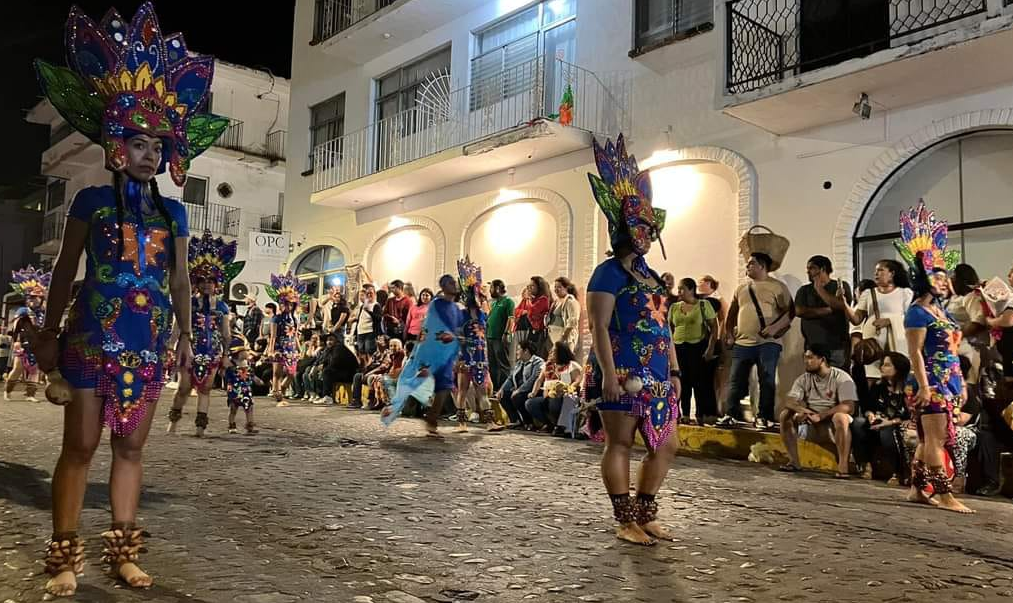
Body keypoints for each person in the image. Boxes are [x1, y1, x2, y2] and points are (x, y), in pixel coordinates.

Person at [29, 4, 212, 593]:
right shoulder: (90, 202)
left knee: (131, 449)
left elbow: (179, 282)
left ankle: (123, 552)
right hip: (90, 338)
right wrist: (48, 332)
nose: (149, 154)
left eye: (157, 145)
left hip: (147, 343)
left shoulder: (174, 212)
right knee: (79, 448)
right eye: (139, 143)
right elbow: (65, 270)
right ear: (116, 146)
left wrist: (187, 337)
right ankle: (63, 559)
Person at [583, 135, 681, 545]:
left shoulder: (651, 276)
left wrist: (675, 370)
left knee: (667, 444)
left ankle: (645, 511)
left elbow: (664, 326)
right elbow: (599, 325)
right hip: (622, 370)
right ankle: (625, 521)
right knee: (621, 442)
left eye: (651, 228)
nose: (648, 234)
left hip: (657, 373)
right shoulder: (607, 273)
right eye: (642, 226)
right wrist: (608, 374)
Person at [894, 201, 973, 514]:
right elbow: (915, 352)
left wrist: (961, 382)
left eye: (944, 276)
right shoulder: (917, 312)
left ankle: (917, 489)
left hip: (947, 380)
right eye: (937, 277)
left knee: (929, 439)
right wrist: (925, 387)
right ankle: (944, 494)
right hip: (929, 381)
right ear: (924, 279)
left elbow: (952, 350)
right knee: (935, 440)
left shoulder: (940, 311)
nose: (944, 281)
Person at [167, 230, 240, 436]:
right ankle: (173, 422)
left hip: (212, 352)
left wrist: (226, 354)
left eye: (211, 280)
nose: (207, 284)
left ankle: (200, 427)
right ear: (196, 282)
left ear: (217, 284)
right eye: (203, 280)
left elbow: (226, 334)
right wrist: (171, 346)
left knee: (206, 389)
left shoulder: (222, 307)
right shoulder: (189, 303)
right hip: (190, 350)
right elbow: (178, 326)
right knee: (184, 387)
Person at [718, 252, 794, 430]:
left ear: (762, 266)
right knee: (736, 380)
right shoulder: (741, 288)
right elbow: (732, 314)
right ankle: (731, 414)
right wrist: (729, 333)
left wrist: (774, 328)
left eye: (751, 263)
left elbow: (790, 312)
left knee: (766, 381)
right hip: (742, 343)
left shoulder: (777, 287)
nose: (747, 266)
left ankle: (764, 417)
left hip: (767, 343)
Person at [382, 274, 465, 437]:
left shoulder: (456, 308)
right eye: (450, 283)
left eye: (454, 283)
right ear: (443, 287)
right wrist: (447, 335)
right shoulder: (437, 304)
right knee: (415, 380)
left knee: (445, 385)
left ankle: (432, 419)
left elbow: (458, 328)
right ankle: (397, 406)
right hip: (431, 351)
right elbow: (432, 326)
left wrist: (457, 341)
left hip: (446, 354)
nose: (454, 285)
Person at [777, 345, 858, 477]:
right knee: (785, 414)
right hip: (811, 421)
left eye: (810, 358)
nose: (806, 361)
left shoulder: (842, 377)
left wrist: (822, 415)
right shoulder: (804, 379)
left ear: (822, 360)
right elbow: (790, 401)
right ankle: (794, 462)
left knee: (841, 417)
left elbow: (849, 406)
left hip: (833, 422)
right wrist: (803, 411)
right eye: (805, 358)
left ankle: (843, 467)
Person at [845, 259, 913, 383]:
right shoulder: (868, 293)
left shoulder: (904, 293)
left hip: (896, 342)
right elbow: (856, 319)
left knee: (895, 375)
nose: (876, 273)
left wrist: (890, 320)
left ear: (892, 273)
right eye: (876, 271)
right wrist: (843, 303)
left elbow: (911, 318)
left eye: (881, 270)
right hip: (873, 344)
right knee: (872, 377)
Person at [454, 258, 501, 432]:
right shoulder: (461, 315)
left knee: (481, 390)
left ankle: (489, 422)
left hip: (480, 357)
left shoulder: (482, 315)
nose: (482, 299)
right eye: (479, 297)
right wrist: (460, 356)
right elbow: (458, 336)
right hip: (466, 356)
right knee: (463, 389)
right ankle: (461, 423)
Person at [850, 352, 911, 483]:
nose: (882, 367)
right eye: (882, 364)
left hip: (895, 425)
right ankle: (865, 465)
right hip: (878, 422)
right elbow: (868, 407)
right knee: (858, 423)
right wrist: (870, 415)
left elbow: (909, 415)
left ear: (898, 369)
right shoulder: (878, 386)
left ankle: (897, 472)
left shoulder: (907, 389)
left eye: (887, 365)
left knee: (886, 432)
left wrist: (889, 422)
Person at [669, 277, 719, 424]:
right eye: (678, 289)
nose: (679, 292)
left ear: (691, 290)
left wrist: (710, 348)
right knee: (682, 381)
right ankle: (684, 413)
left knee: (698, 382)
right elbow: (669, 328)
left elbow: (714, 327)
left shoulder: (703, 305)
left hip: (697, 347)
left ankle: (700, 413)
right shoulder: (674, 307)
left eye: (682, 289)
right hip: (678, 347)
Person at [794, 255, 853, 369]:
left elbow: (841, 305)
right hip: (813, 347)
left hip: (837, 346)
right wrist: (829, 310)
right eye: (808, 269)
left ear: (823, 269)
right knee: (814, 379)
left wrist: (819, 289)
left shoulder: (840, 286)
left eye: (812, 268)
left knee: (838, 377)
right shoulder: (804, 290)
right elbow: (800, 311)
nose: (808, 272)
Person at [5, 267, 51, 401]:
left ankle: (30, 395)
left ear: (41, 299)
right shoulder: (23, 311)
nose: (32, 300)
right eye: (30, 297)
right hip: (23, 345)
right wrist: (17, 341)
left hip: (37, 345)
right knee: (17, 368)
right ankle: (8, 391)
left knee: (35, 370)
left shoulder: (43, 313)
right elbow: (16, 328)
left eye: (35, 298)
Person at [526, 341, 583, 436]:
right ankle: (549, 424)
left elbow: (577, 381)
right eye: (551, 351)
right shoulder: (547, 366)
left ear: (561, 353)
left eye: (554, 351)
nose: (551, 353)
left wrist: (568, 388)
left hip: (564, 397)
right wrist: (533, 392)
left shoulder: (571, 365)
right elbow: (539, 380)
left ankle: (559, 426)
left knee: (554, 401)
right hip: (546, 396)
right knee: (530, 403)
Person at [267, 272, 305, 406]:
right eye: (285, 304)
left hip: (291, 347)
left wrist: (300, 349)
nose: (288, 307)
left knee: (292, 373)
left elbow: (295, 335)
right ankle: (277, 393)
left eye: (291, 304)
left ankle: (282, 388)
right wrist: (270, 350)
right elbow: (272, 336)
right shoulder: (276, 318)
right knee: (277, 373)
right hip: (279, 346)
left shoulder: (295, 319)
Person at [496, 339, 545, 429]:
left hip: (533, 391)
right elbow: (510, 378)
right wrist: (501, 389)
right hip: (519, 391)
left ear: (526, 351)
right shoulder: (519, 363)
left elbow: (533, 379)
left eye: (519, 349)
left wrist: (519, 390)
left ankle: (528, 422)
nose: (516, 352)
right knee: (503, 395)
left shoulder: (538, 362)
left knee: (517, 397)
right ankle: (515, 420)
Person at [225, 335, 258, 435]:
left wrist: (256, 379)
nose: (248, 353)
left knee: (249, 407)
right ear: (238, 352)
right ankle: (231, 424)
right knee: (233, 408)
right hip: (235, 390)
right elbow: (226, 376)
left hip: (246, 390)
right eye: (246, 351)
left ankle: (250, 424)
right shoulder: (231, 364)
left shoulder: (248, 363)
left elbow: (251, 374)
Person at [486, 280, 515, 391]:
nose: (490, 291)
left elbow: (511, 319)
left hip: (500, 338)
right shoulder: (493, 303)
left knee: (503, 364)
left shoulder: (508, 301)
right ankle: (494, 389)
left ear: (498, 288)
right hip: (490, 337)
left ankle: (504, 389)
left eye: (491, 288)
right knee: (492, 364)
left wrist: (506, 333)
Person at [514, 276, 551, 358]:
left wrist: (529, 299)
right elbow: (515, 311)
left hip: (538, 332)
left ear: (539, 287)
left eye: (532, 286)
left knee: (535, 356)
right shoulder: (533, 299)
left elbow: (531, 312)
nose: (530, 288)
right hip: (530, 331)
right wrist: (524, 310)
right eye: (529, 286)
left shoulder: (543, 299)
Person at [547, 276, 581, 354]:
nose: (556, 289)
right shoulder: (556, 302)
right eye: (555, 287)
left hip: (565, 339)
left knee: (565, 359)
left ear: (566, 288)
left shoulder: (571, 302)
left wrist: (563, 338)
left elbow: (572, 322)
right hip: (553, 337)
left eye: (559, 287)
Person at [350, 284, 382, 359]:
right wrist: (355, 333)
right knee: (361, 352)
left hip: (370, 332)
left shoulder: (376, 305)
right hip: (360, 332)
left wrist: (369, 311)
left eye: (371, 293)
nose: (369, 295)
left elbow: (378, 319)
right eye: (367, 293)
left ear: (375, 294)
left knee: (369, 352)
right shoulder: (363, 305)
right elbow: (359, 320)